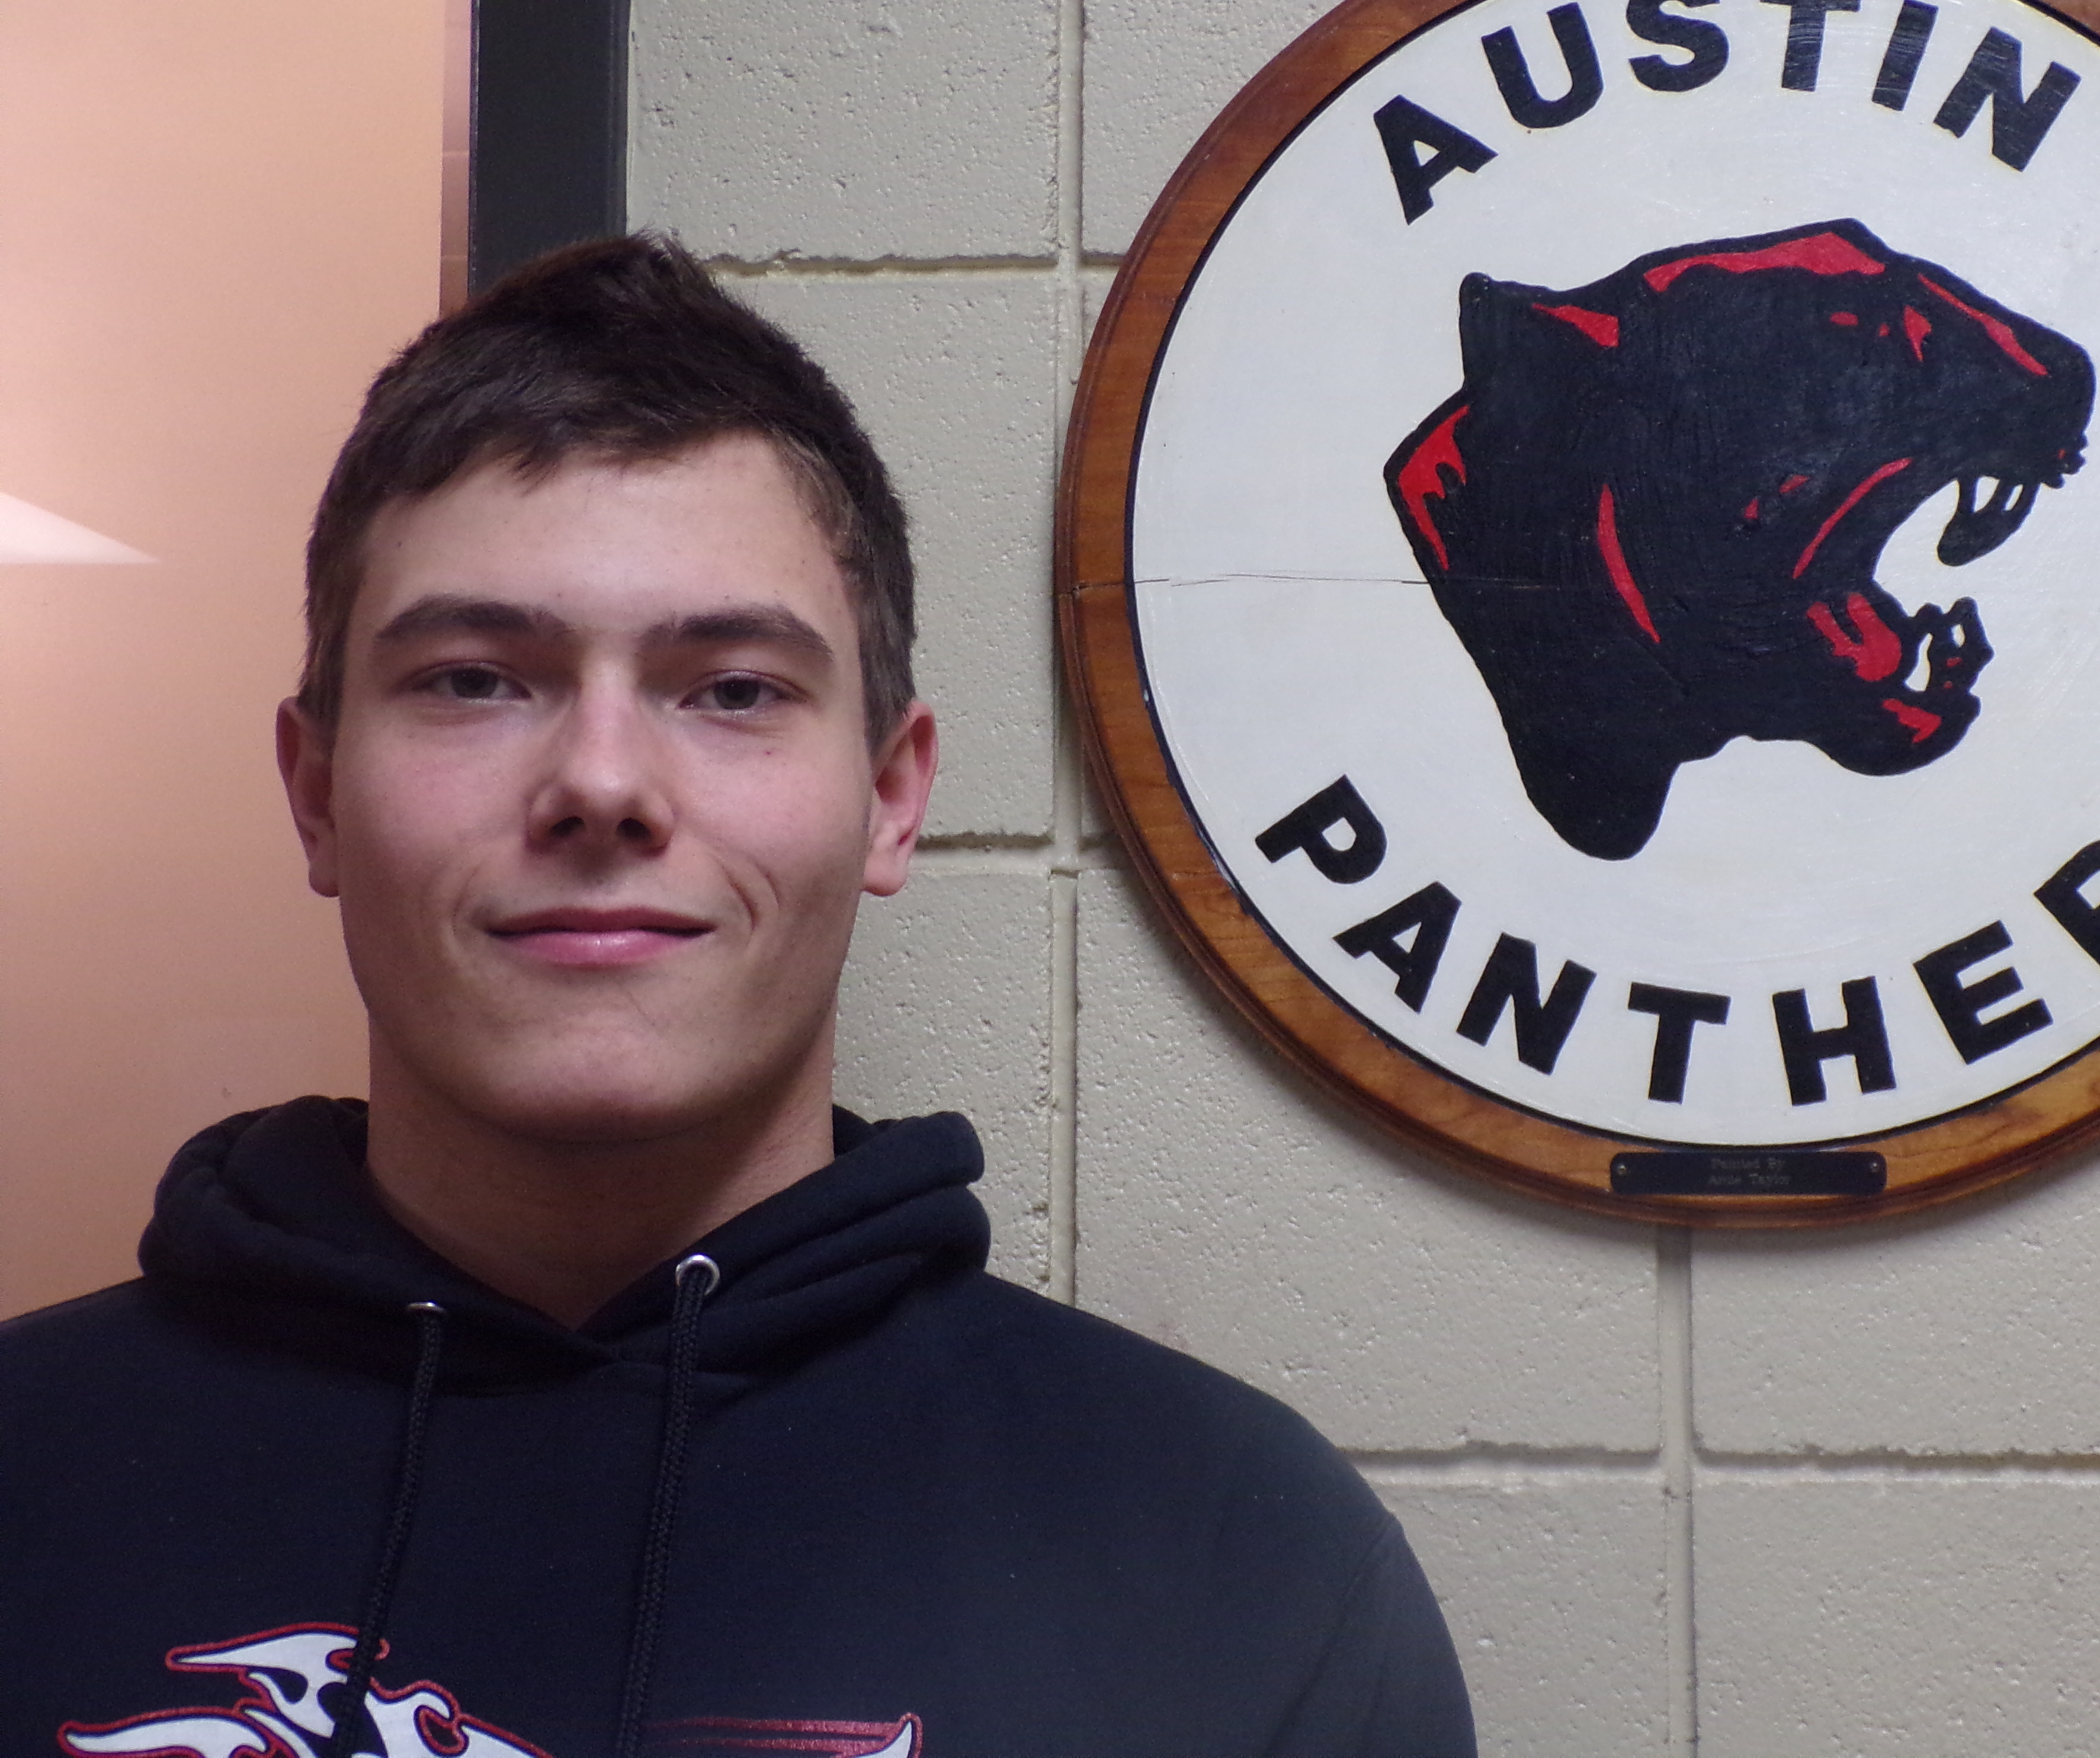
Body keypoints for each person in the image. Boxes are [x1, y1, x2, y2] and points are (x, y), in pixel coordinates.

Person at [0, 238, 1474, 1758]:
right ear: (314, 794)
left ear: (891, 800)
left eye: (733, 689)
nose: (601, 783)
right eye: (473, 679)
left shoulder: (1233, 1556)